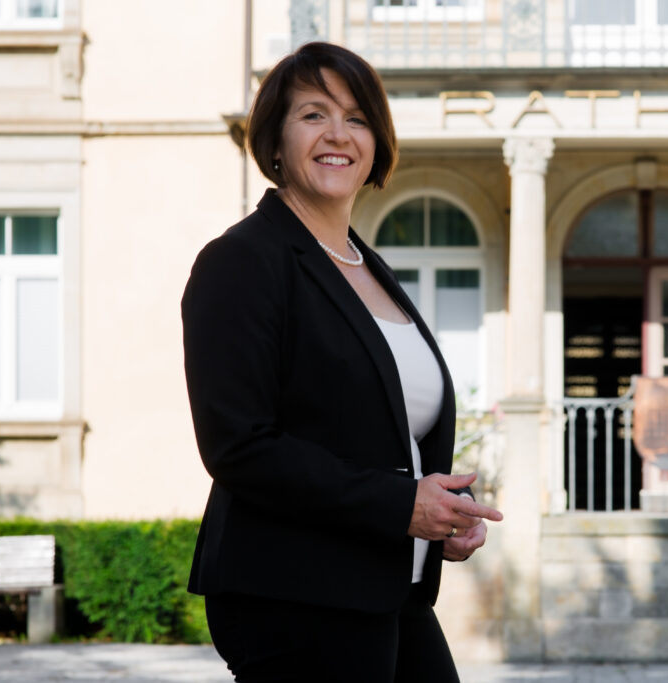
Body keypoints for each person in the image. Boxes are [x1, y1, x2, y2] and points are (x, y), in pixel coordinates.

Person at [181, 41, 503, 682]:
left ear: (378, 144)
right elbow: (238, 445)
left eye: (357, 118)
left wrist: (438, 517)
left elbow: (379, 432)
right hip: (292, 591)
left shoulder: (367, 267)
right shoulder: (241, 261)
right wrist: (397, 505)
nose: (339, 134)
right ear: (274, 140)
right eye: (313, 115)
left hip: (387, 586)